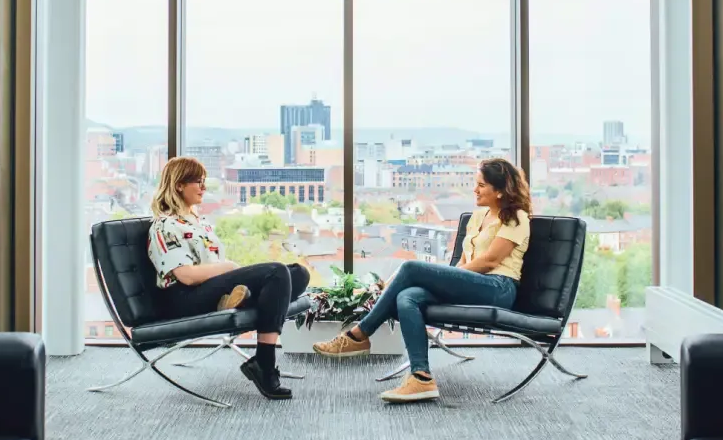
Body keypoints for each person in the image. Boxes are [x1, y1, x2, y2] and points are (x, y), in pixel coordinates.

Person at [313, 158, 532, 403]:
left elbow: (490, 261)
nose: (475, 189)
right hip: (473, 284)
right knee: (407, 297)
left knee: (410, 268)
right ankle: (421, 378)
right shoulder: (477, 217)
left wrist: (451, 277)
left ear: (501, 191)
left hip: (498, 288)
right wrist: (451, 278)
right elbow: (466, 262)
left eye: (481, 185)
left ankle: (358, 335)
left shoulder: (517, 218)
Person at [146, 157, 310, 400]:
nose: (203, 187)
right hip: (185, 298)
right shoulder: (164, 226)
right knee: (276, 272)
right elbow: (186, 276)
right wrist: (230, 268)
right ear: (178, 185)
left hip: (210, 288)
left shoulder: (198, 222)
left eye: (204, 182)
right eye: (197, 182)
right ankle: (264, 363)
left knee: (298, 273)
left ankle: (240, 299)